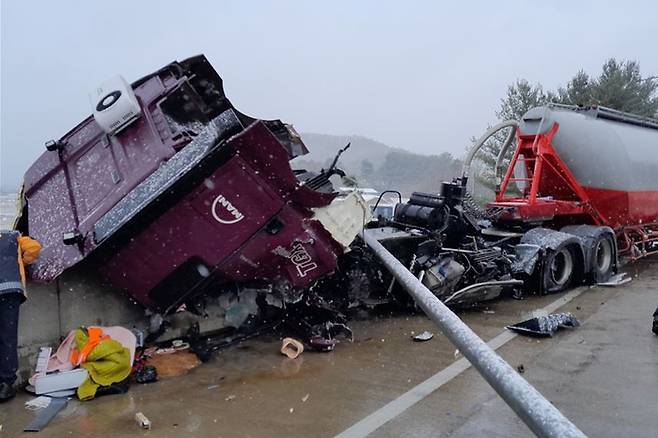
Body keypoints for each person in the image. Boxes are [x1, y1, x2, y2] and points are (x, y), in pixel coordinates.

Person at [0, 230, 41, 402]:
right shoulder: (13, 236)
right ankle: (5, 384)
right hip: (11, 291)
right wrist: (22, 262)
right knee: (7, 337)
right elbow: (34, 247)